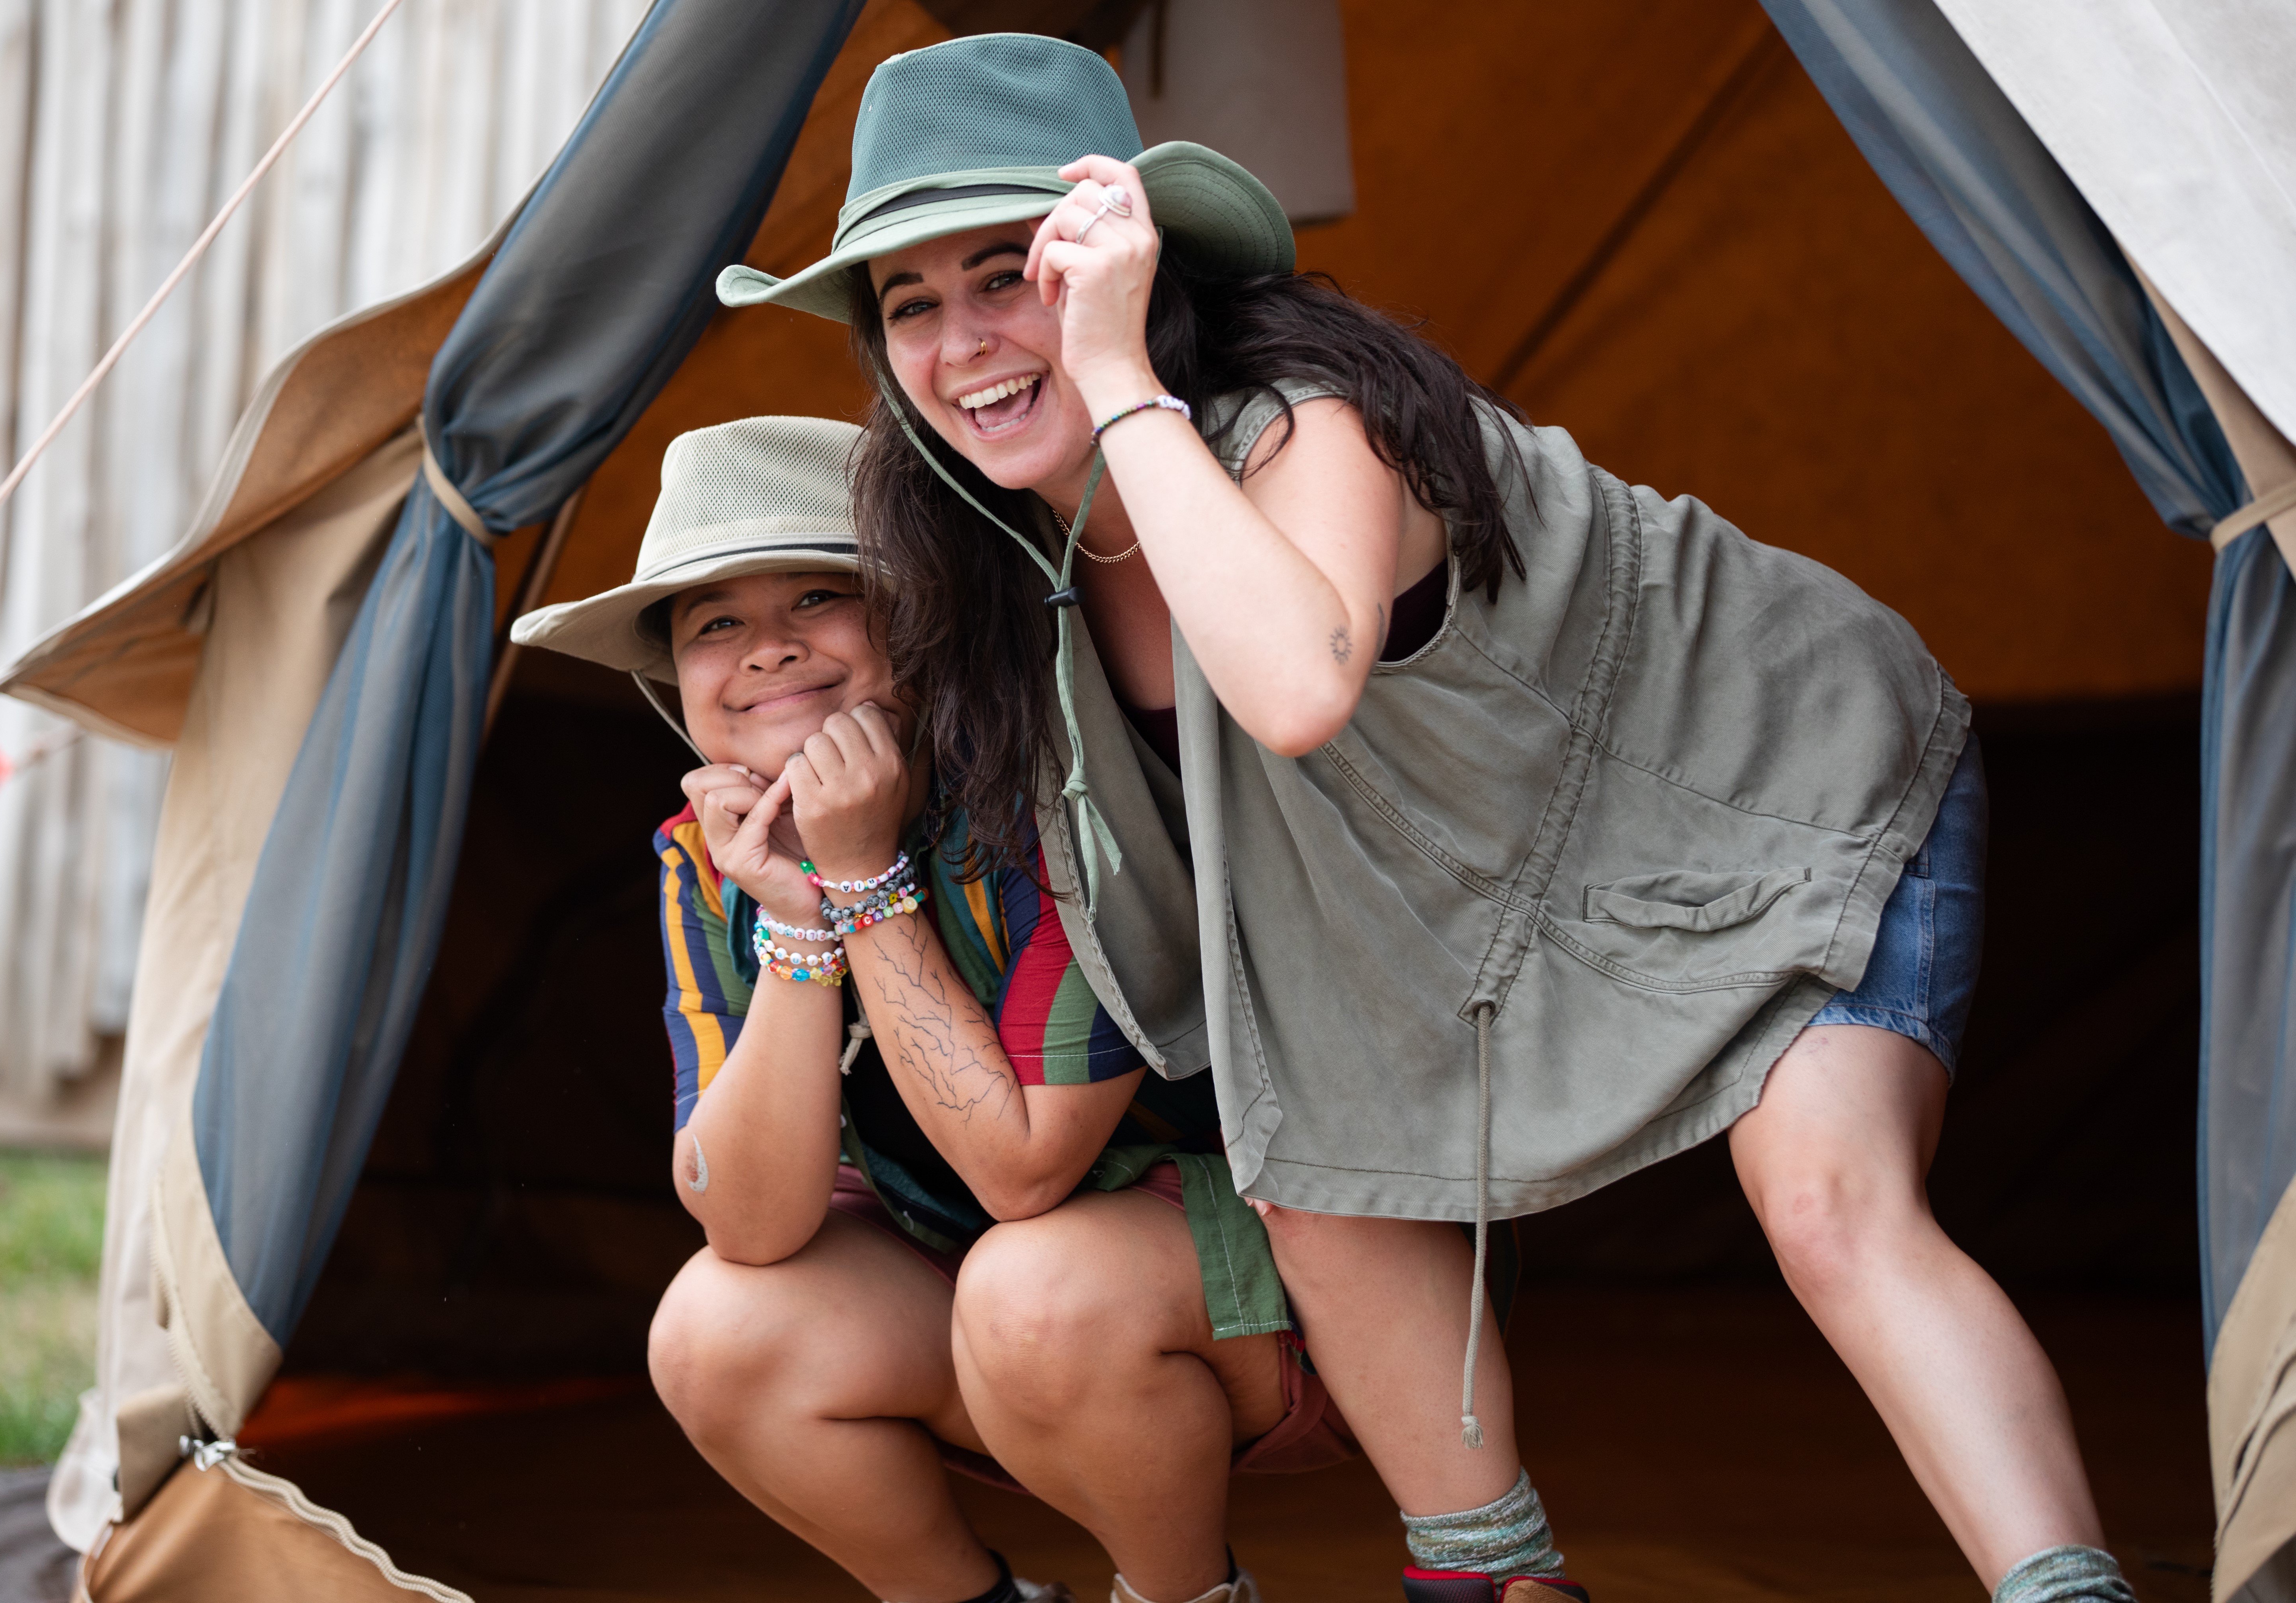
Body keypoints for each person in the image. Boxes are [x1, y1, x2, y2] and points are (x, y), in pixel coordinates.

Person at [715, 32, 2133, 1603]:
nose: (963, 340)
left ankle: (2060, 1588)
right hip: (1488, 883)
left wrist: (1115, 372)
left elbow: (1296, 684)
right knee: (1306, 1140)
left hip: (1771, 788)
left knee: (1825, 1202)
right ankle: (1497, 1581)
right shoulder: (1005, 582)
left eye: (1012, 274)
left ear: (1129, 265)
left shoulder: (1311, 424)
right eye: (908, 305)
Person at [510, 415, 1372, 1603]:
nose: (763, 651)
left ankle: (1182, 1596)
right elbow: (749, 1224)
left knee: (1036, 1287)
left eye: (819, 598)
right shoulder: (710, 856)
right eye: (714, 624)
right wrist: (799, 917)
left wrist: (866, 878)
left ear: (921, 622)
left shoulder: (1057, 795)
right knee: (716, 1332)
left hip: (1280, 1302)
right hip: (983, 1299)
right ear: (680, 686)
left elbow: (1024, 1174)